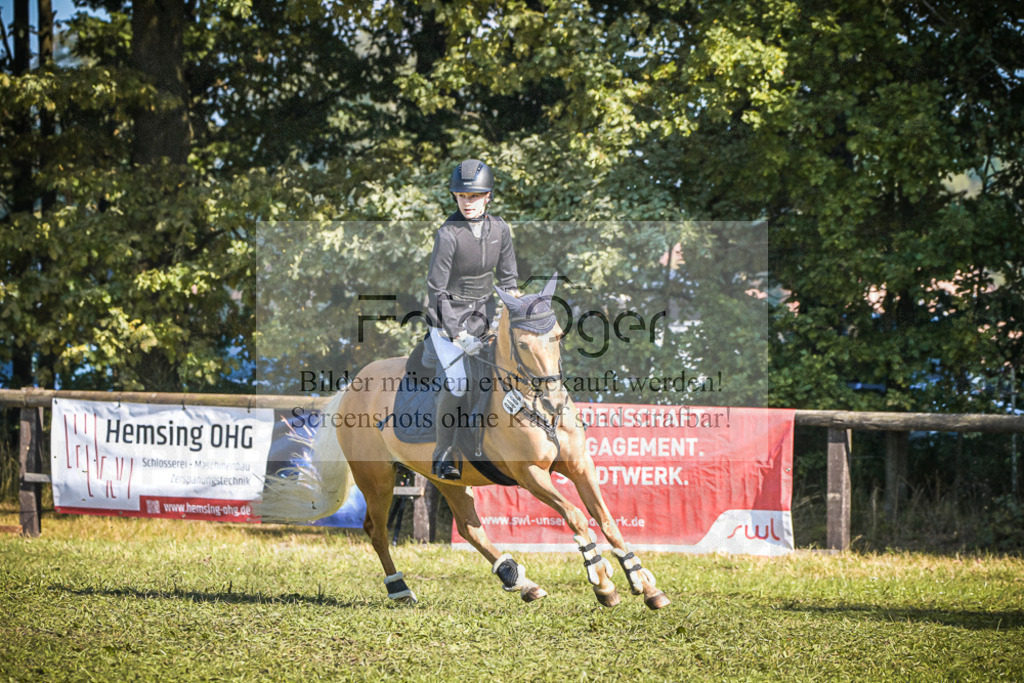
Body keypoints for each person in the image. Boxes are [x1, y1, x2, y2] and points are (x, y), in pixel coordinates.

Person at [427, 159, 519, 480]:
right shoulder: (448, 234)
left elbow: (509, 282)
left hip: (484, 319)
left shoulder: (501, 229)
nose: (467, 202)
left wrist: (502, 320)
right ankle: (444, 453)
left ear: (488, 196)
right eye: (462, 196)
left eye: (474, 197)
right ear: (455, 197)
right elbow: (435, 290)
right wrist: (457, 334)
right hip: (446, 320)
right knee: (460, 382)